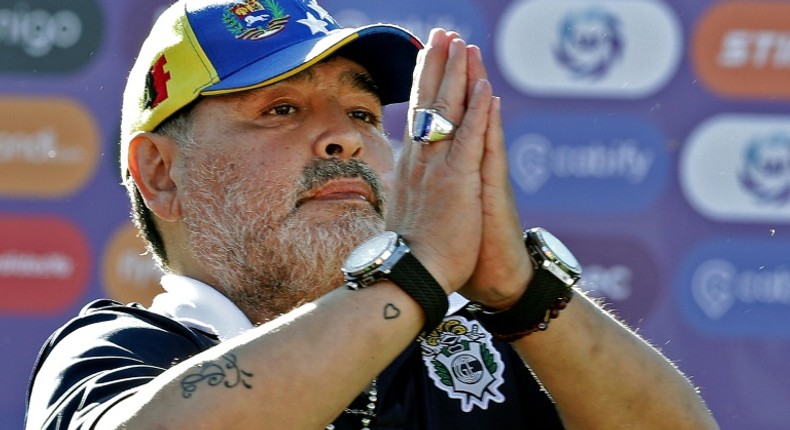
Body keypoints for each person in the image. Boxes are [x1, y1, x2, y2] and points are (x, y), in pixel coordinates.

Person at [25, 0, 719, 429]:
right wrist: (413, 278)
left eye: (361, 112)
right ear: (160, 173)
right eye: (281, 110)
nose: (348, 138)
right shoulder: (121, 352)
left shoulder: (487, 350)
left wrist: (521, 291)